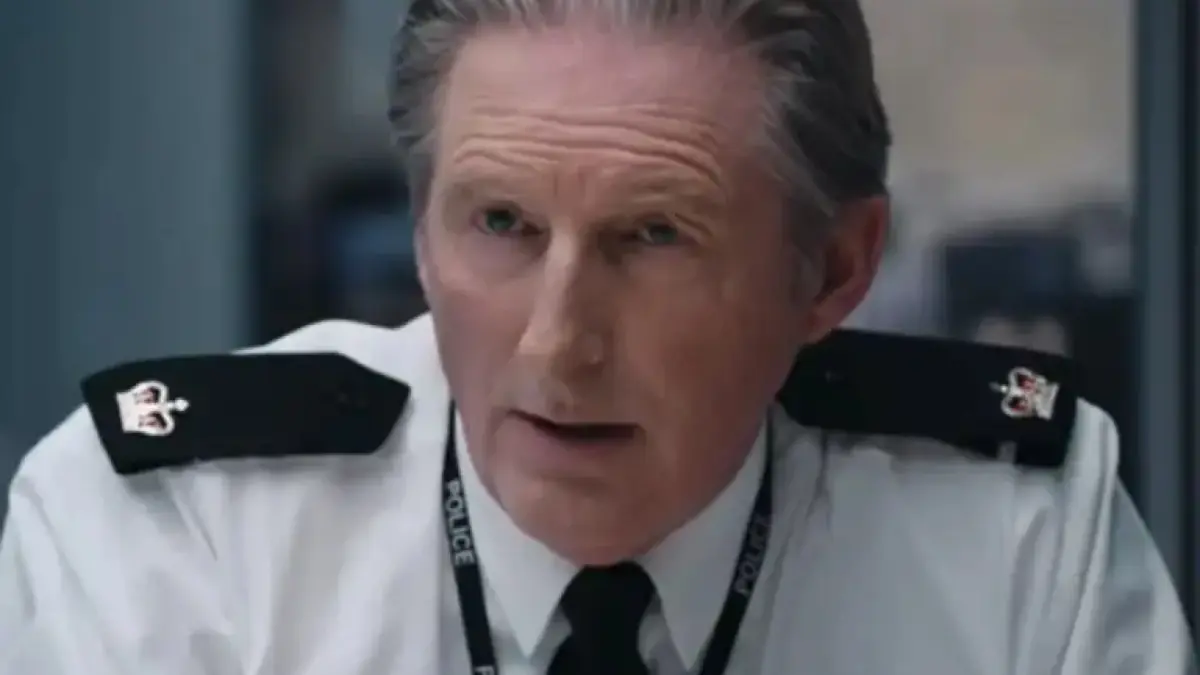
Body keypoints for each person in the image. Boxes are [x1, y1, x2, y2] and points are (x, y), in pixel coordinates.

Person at [0, 0, 1191, 672]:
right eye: (501, 224)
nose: (556, 348)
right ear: (420, 230)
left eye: (655, 237)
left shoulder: (1013, 540)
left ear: (834, 270)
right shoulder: (176, 533)